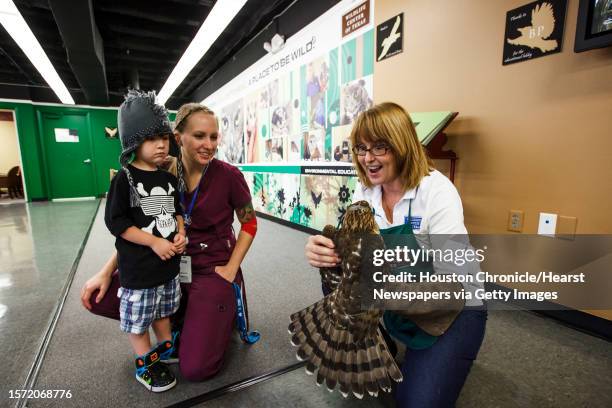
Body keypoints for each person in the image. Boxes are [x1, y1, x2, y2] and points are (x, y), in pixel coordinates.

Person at [305, 102, 487, 407]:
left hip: (452, 312)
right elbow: (354, 259)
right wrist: (327, 251)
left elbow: (453, 287)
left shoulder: (437, 192)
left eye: (379, 147)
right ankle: (383, 343)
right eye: (361, 148)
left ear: (402, 145)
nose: (367, 158)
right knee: (335, 282)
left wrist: (376, 292)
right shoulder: (368, 193)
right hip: (397, 298)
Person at [81, 101, 258, 382]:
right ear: (179, 138)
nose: (209, 144)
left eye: (214, 136)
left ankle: (210, 318)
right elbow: (137, 227)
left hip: (211, 269)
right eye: (199, 136)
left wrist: (230, 271)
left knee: (196, 369)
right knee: (95, 297)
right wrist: (106, 271)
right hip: (164, 265)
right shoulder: (160, 173)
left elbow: (249, 223)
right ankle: (183, 322)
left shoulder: (228, 176)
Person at [106, 90, 186, 392]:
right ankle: (146, 364)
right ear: (134, 142)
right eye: (153, 138)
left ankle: (165, 348)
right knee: (139, 322)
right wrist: (153, 242)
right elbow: (117, 223)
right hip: (139, 271)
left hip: (167, 269)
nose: (162, 144)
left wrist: (181, 233)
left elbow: (177, 210)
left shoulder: (167, 178)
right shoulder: (124, 179)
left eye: (164, 137)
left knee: (164, 312)